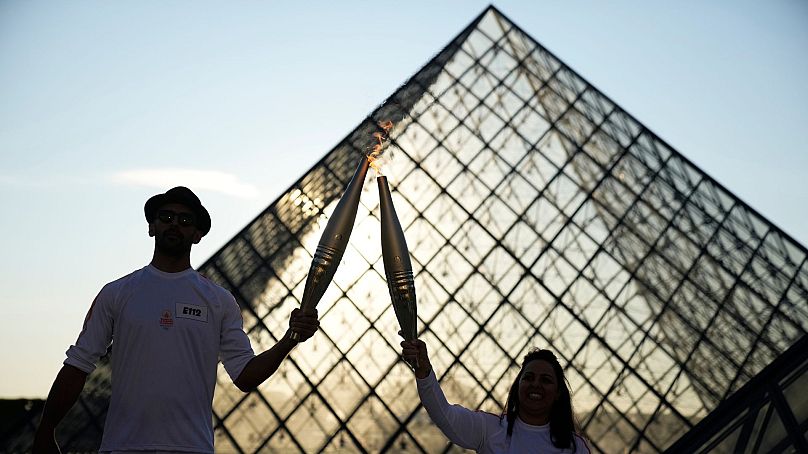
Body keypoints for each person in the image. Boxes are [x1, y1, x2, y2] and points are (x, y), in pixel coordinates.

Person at [33, 186, 320, 454]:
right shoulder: (116, 294)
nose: (174, 224)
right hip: (123, 446)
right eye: (167, 217)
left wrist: (289, 339)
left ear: (197, 234)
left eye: (185, 220)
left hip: (190, 448)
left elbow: (245, 376)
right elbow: (78, 365)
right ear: (152, 226)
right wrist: (46, 430)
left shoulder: (220, 302)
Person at [401, 339, 591, 453]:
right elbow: (444, 414)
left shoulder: (576, 448)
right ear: (518, 386)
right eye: (529, 377)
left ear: (558, 393)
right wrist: (424, 371)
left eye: (546, 380)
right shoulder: (489, 428)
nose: (536, 385)